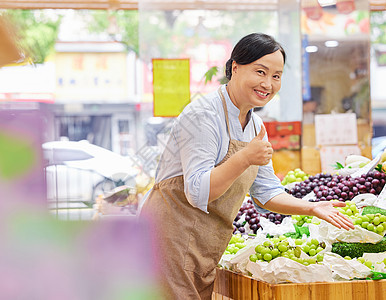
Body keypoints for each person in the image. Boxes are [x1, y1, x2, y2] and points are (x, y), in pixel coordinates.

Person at [138, 33, 354, 300]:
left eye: (276, 76)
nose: (268, 84)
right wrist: (244, 158)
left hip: (204, 246)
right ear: (235, 67)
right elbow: (198, 192)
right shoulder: (203, 115)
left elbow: (267, 193)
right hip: (168, 242)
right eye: (260, 72)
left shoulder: (255, 126)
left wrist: (310, 208)